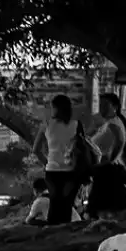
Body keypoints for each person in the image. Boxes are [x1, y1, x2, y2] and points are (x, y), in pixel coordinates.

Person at [32, 93, 86, 225]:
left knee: (55, 203)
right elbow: (83, 148)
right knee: (67, 204)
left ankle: (52, 230)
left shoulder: (47, 124)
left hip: (52, 171)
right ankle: (65, 231)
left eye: (53, 107)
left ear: (56, 108)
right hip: (71, 171)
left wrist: (47, 162)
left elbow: (36, 150)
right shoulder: (76, 125)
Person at [85, 91, 126, 218]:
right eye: (100, 104)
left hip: (108, 170)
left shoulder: (114, 124)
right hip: (102, 169)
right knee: (104, 207)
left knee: (102, 206)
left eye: (106, 105)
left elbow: (120, 139)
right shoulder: (106, 124)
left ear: (115, 107)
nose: (102, 108)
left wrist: (111, 158)